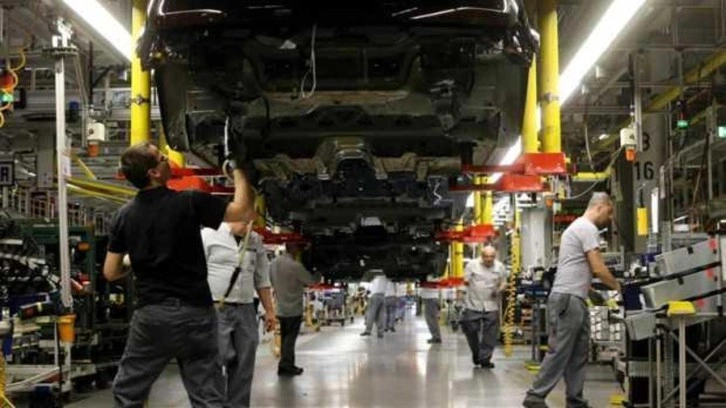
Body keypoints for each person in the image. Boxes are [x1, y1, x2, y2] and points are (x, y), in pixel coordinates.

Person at [103, 142, 254, 407]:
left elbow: (110, 272)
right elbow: (243, 211)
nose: (168, 160)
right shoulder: (189, 201)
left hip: (152, 317)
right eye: (162, 158)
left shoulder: (123, 216)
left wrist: (135, 261)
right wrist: (240, 171)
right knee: (208, 395)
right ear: (153, 173)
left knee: (128, 392)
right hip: (196, 314)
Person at [523, 192, 621, 408]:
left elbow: (577, 267)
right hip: (568, 300)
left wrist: (590, 291)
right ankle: (535, 396)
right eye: (609, 211)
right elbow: (598, 268)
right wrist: (619, 288)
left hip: (576, 298)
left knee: (579, 353)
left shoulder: (578, 227)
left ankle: (575, 400)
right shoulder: (587, 228)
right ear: (599, 206)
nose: (610, 217)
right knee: (560, 350)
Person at [201, 221, 276, 407]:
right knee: (215, 359)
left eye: (251, 221)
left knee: (245, 362)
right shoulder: (208, 235)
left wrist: (270, 310)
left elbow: (262, 278)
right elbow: (195, 274)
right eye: (244, 220)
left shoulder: (255, 240)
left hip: (246, 309)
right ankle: (214, 404)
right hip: (215, 308)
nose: (248, 226)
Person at [269, 243, 320, 376]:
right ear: (293, 248)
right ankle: (286, 366)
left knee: (285, 338)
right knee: (289, 340)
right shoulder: (296, 266)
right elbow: (311, 281)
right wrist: (318, 273)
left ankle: (285, 365)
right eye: (298, 248)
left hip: (280, 308)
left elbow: (270, 281)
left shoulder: (273, 264)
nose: (299, 251)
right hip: (293, 309)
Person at [460, 246, 507, 369]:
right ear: (481, 256)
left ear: (495, 256)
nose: (489, 259)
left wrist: (499, 290)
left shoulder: (499, 267)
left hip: (491, 304)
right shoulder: (472, 265)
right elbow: (465, 282)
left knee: (491, 333)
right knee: (470, 329)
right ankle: (476, 353)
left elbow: (504, 282)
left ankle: (485, 359)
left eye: (492, 257)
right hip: (473, 303)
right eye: (486, 256)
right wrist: (460, 299)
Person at [360, 273, 388, 338]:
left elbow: (368, 288)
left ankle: (368, 330)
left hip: (375, 296)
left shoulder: (375, 277)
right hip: (383, 296)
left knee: (371, 313)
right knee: (381, 315)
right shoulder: (386, 278)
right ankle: (380, 333)